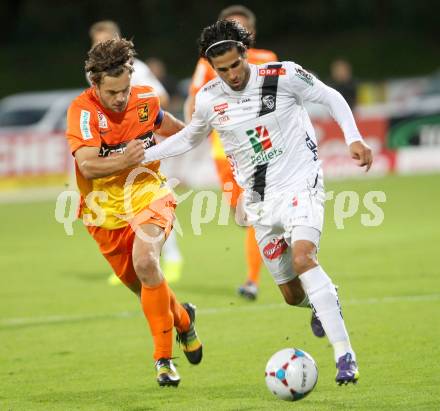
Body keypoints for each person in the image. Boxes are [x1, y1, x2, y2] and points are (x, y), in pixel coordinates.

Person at [143, 20, 373, 384]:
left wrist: (354, 138)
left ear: (244, 53)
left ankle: (345, 356)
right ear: (211, 66)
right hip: (259, 201)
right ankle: (322, 297)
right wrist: (142, 156)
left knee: (303, 257)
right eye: (222, 69)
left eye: (236, 64)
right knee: (290, 293)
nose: (232, 74)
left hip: (302, 183)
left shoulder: (283, 75)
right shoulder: (209, 98)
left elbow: (331, 96)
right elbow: (190, 138)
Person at [65, 38, 202, 387]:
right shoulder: (82, 111)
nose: (120, 98)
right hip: (102, 211)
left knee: (146, 262)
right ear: (94, 84)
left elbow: (161, 121)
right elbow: (88, 165)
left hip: (148, 191)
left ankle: (164, 361)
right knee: (144, 289)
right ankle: (184, 320)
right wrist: (122, 159)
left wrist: (195, 134)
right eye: (112, 92)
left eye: (124, 88)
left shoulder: (142, 97)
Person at [184, 5, 278, 301]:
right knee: (243, 218)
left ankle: (252, 281)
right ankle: (274, 242)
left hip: (260, 150)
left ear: (251, 32)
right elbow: (194, 98)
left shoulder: (267, 59)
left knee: (255, 215)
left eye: (240, 29)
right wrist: (192, 131)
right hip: (224, 154)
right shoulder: (210, 61)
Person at [88, 20, 183, 284]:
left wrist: (137, 116)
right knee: (126, 206)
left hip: (144, 149)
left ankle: (172, 258)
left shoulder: (136, 70)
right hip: (119, 152)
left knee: (154, 204)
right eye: (96, 43)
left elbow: (159, 99)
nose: (99, 47)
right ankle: (136, 260)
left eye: (105, 41)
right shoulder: (94, 74)